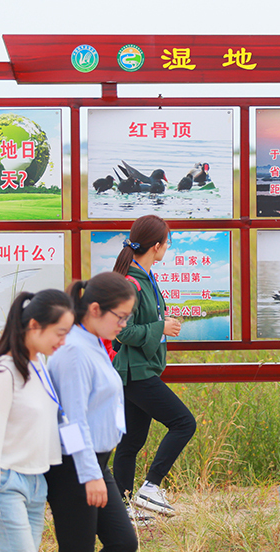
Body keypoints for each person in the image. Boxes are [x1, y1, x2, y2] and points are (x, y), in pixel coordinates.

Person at [0, 289, 74, 551]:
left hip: (36, 482)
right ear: (34, 326)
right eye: (59, 333)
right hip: (4, 481)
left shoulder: (39, 364)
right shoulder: (2, 373)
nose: (63, 341)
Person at [45, 272, 138, 552]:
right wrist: (89, 475)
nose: (123, 325)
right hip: (74, 466)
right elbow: (71, 422)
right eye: (120, 317)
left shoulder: (93, 340)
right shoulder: (74, 351)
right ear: (95, 309)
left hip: (96, 462)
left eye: (127, 318)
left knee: (123, 542)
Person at [111, 215, 195, 517]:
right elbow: (121, 330)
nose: (167, 248)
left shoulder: (144, 276)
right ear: (157, 246)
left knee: (131, 441)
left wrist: (160, 326)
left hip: (140, 370)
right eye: (167, 242)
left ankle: (120, 507)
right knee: (184, 423)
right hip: (136, 373)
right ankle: (150, 488)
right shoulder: (130, 282)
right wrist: (161, 328)